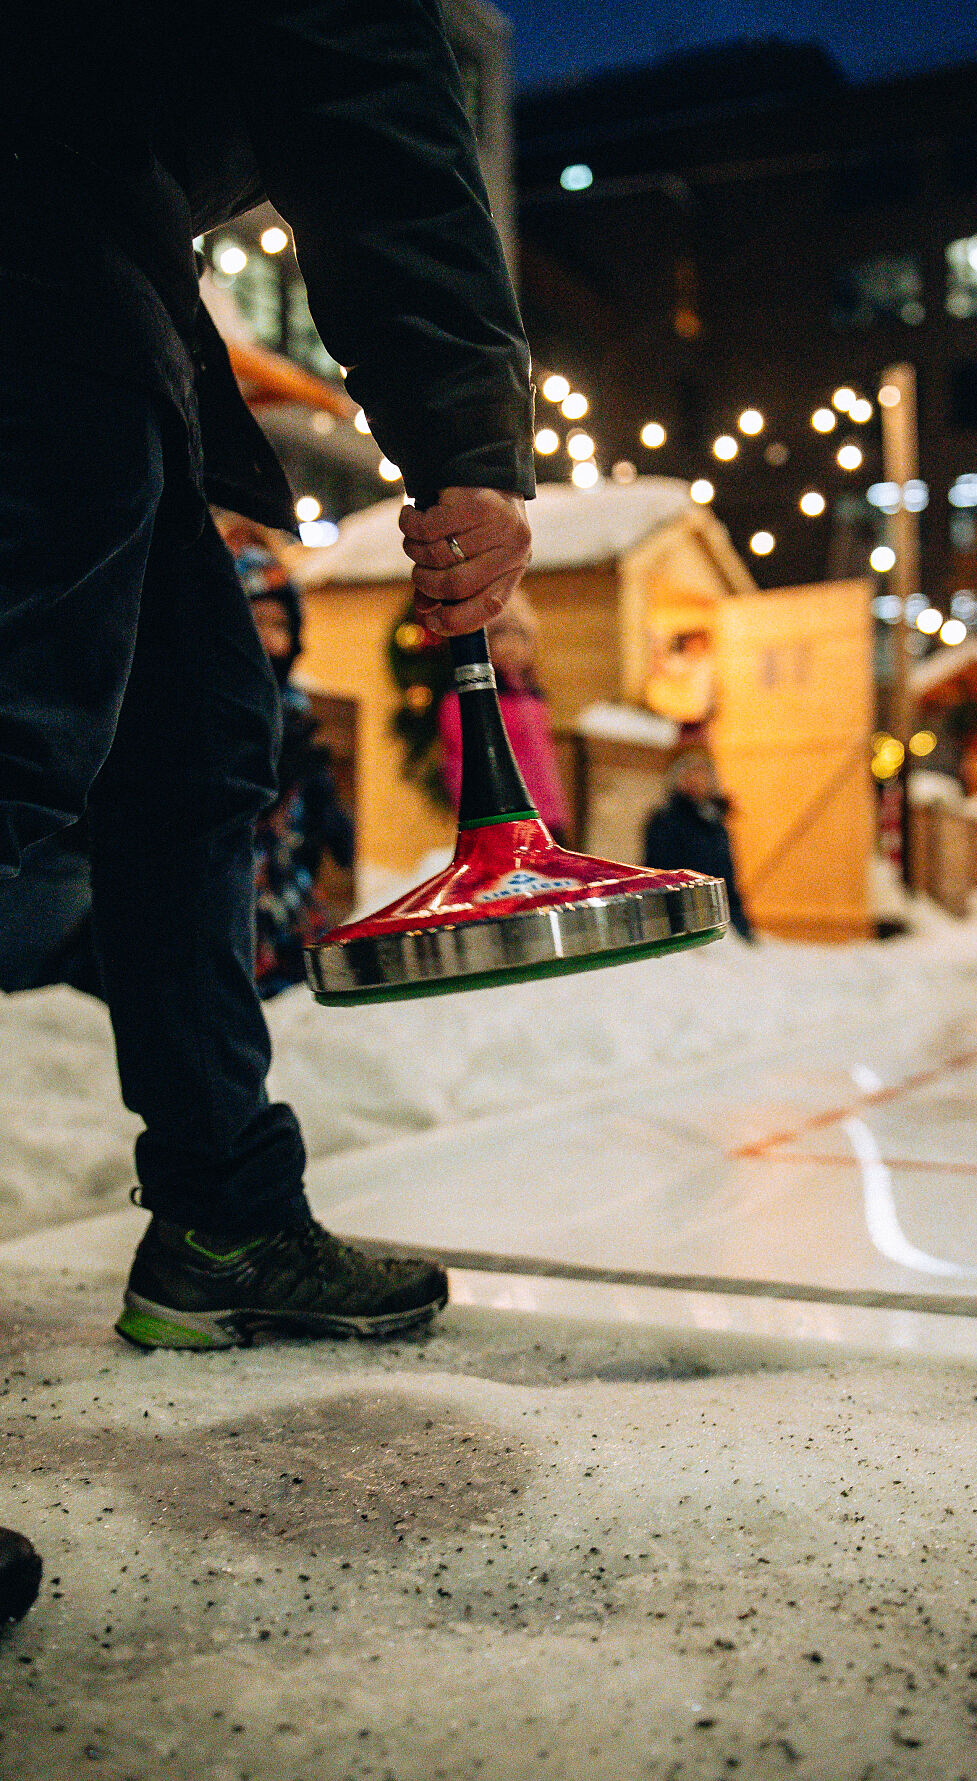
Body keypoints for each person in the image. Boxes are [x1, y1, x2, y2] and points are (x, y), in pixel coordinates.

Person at [1, 1, 533, 1349]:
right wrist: (466, 434)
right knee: (19, 723)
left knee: (194, 730)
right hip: (37, 209)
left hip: (87, 212)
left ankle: (221, 1218)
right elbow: (369, 100)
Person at [226, 530, 356, 998]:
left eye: (279, 624)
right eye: (255, 622)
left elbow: (310, 771)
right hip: (239, 902)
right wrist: (269, 789)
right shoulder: (220, 709)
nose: (270, 640)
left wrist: (327, 808)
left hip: (294, 893)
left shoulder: (294, 703)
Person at [437, 591, 572, 843]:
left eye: (519, 636)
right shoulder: (462, 702)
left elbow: (544, 759)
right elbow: (462, 763)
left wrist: (557, 808)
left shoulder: (533, 696)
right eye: (500, 635)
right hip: (499, 821)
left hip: (548, 818)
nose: (511, 646)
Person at [644, 748, 754, 941]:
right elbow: (660, 875)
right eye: (690, 772)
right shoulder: (665, 821)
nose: (696, 780)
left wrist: (742, 927)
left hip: (718, 922)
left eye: (702, 773)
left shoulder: (716, 824)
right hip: (682, 924)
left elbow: (728, 882)